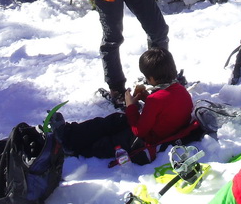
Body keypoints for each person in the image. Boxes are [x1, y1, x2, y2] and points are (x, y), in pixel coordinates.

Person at [58, 48, 193, 165]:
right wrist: (146, 99)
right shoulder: (181, 90)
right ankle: (71, 134)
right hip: (163, 131)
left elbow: (139, 131)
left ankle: (70, 144)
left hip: (147, 140)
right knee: (115, 120)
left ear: (151, 78)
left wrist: (131, 106)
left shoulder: (155, 99)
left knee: (107, 141)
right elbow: (166, 110)